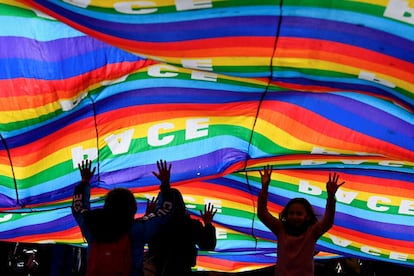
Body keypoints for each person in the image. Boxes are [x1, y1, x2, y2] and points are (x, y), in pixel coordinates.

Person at [72, 159, 174, 276]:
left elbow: (78, 208)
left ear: (106, 205)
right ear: (132, 208)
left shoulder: (91, 224)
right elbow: (164, 213)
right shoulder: (137, 229)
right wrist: (165, 185)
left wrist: (84, 182)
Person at [257, 165, 345, 276]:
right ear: (286, 215)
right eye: (291, 213)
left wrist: (331, 196)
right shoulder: (280, 229)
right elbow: (262, 214)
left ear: (307, 216)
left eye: (299, 214)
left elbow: (327, 221)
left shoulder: (312, 232)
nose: (295, 217)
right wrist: (264, 187)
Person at [145, 186, 217, 276]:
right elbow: (208, 245)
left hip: (160, 271)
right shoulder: (191, 225)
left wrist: (148, 217)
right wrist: (208, 224)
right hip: (183, 270)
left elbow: (141, 238)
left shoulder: (155, 224)